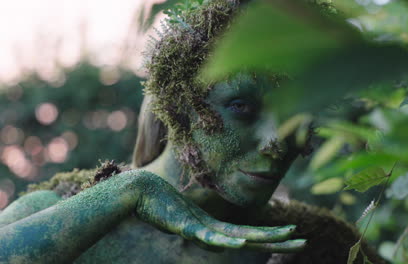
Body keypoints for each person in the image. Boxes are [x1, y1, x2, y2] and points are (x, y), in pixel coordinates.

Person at [0, 1, 384, 263]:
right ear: (178, 104)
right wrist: (130, 190)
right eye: (242, 109)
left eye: (295, 117)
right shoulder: (64, 213)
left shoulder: (321, 243)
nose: (276, 144)